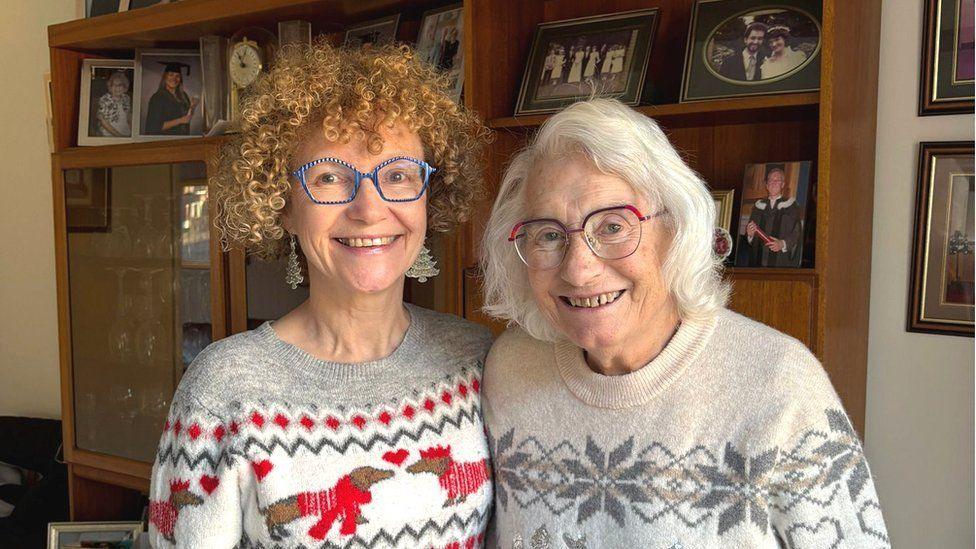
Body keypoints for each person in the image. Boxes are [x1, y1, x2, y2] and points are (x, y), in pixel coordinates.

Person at [479, 98, 889, 547]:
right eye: (550, 235)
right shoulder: (510, 370)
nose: (579, 270)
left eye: (614, 227)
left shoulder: (777, 384)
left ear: (676, 229)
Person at [147, 41, 493, 548]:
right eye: (330, 177)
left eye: (398, 175)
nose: (369, 209)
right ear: (282, 205)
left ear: (429, 198)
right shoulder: (223, 390)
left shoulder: (479, 360)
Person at [742, 167, 803, 267]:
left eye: (777, 180)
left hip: (780, 261)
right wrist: (750, 235)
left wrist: (782, 244)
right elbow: (750, 233)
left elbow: (797, 233)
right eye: (770, 180)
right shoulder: (758, 206)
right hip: (758, 260)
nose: (773, 183)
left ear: (783, 185)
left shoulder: (791, 206)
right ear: (766, 185)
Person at [143, 61, 198, 135]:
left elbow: (187, 118)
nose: (174, 79)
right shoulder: (157, 98)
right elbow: (154, 127)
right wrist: (180, 120)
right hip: (165, 141)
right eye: (171, 75)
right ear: (165, 77)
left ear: (180, 79)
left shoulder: (183, 95)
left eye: (177, 76)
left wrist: (193, 107)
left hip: (182, 139)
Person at [95, 70, 131, 137]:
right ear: (110, 87)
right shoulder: (105, 99)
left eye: (120, 85)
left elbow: (128, 116)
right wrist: (118, 136)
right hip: (109, 132)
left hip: (124, 129)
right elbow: (103, 122)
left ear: (124, 87)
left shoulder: (126, 98)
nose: (117, 88)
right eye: (114, 85)